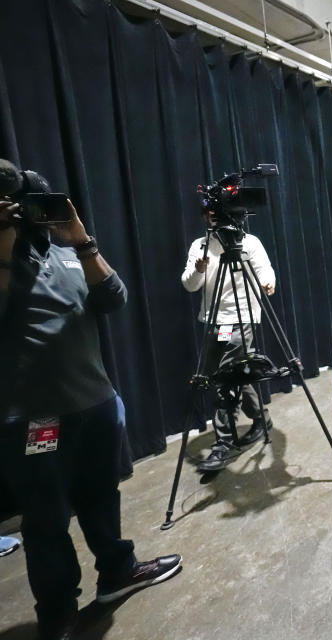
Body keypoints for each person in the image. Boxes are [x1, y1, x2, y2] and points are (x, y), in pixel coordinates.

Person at [0, 159, 181, 640]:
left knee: (103, 497)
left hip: (95, 402)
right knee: (46, 521)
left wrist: (81, 239)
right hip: (35, 418)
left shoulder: (67, 253)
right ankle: (58, 612)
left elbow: (114, 297)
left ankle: (117, 573)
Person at [180, 209, 277, 472]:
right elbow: (190, 285)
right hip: (216, 320)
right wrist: (198, 270)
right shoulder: (199, 246)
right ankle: (260, 418)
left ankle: (223, 443)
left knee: (226, 376)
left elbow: (265, 271)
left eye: (216, 212)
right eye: (207, 213)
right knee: (234, 374)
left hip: (243, 316)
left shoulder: (249, 242)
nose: (212, 217)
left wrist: (268, 283)